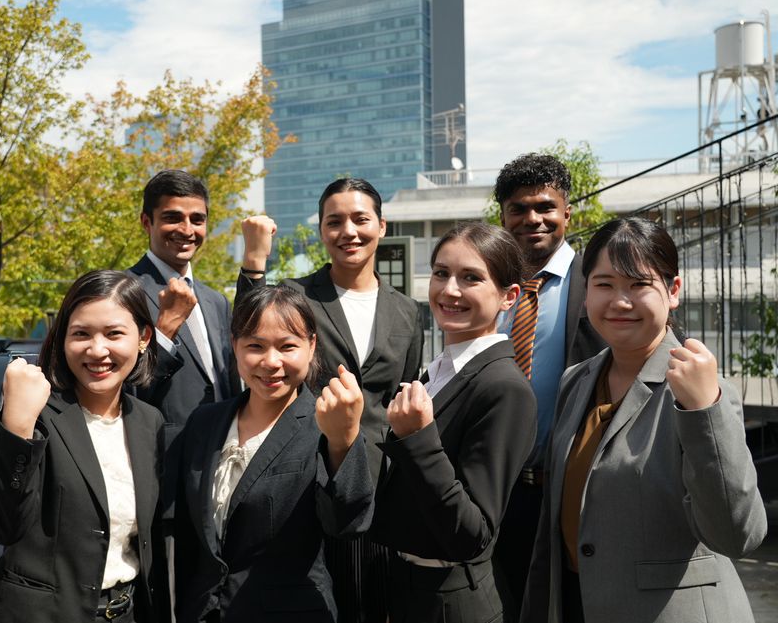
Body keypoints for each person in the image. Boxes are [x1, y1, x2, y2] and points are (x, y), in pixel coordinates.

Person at [521, 218, 767, 623]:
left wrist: (703, 410)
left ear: (673, 291)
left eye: (639, 284)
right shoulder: (576, 380)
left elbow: (738, 535)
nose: (620, 302)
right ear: (586, 292)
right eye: (604, 284)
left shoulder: (701, 390)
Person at [237, 177, 424, 622]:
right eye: (334, 221)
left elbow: (401, 397)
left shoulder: (406, 310)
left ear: (381, 226)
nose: (348, 231)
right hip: (306, 483)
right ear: (321, 230)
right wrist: (254, 263)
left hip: (379, 492)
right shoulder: (297, 295)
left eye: (360, 219)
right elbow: (248, 336)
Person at [172, 285, 374, 623]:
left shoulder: (325, 425)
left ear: (311, 346)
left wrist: (343, 441)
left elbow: (347, 523)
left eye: (287, 346)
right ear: (234, 345)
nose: (271, 362)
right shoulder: (204, 423)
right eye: (255, 346)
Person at [370, 222, 537, 623]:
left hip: (452, 601)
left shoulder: (504, 388)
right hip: (405, 587)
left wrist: (417, 438)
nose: (449, 290)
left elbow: (472, 534)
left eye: (471, 278)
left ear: (509, 296)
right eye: (441, 273)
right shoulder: (440, 371)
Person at [0, 270, 167, 623]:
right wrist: (18, 427)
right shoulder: (34, 409)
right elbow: (3, 527)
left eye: (114, 333)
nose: (97, 350)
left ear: (143, 338)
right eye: (81, 333)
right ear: (62, 338)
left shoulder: (149, 421)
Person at [492, 153, 605, 615]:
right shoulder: (489, 288)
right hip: (497, 493)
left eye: (545, 207)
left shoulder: (597, 282)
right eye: (518, 209)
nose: (532, 219)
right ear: (503, 217)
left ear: (567, 213)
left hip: (571, 492)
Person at [127, 169, 240, 427]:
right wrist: (164, 332)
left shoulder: (217, 301)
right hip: (163, 446)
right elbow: (124, 390)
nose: (187, 230)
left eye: (197, 220)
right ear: (146, 222)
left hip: (222, 440)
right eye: (173, 218)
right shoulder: (124, 293)